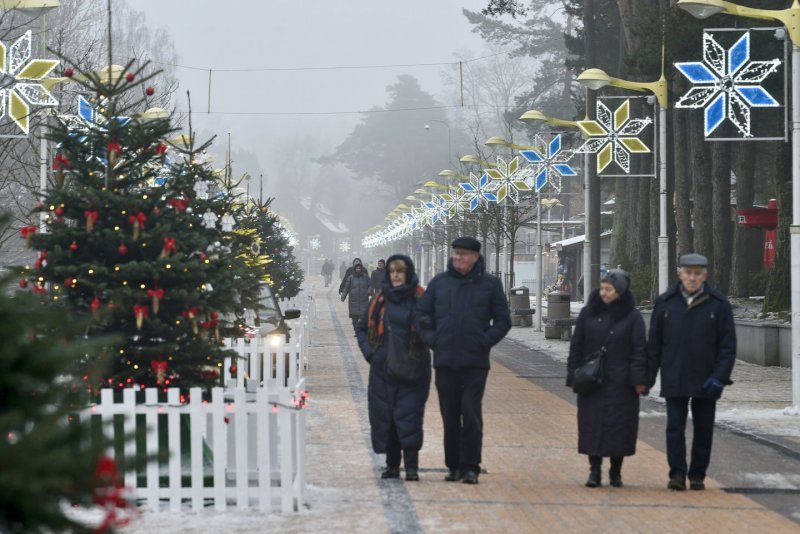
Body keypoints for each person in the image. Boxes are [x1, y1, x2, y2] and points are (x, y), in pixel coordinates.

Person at [415, 236, 511, 484]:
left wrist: (484, 340)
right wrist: (432, 339)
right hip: (445, 361)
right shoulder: (439, 283)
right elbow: (422, 314)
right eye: (456, 253)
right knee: (450, 414)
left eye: (464, 254)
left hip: (474, 362)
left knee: (471, 413)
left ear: (476, 257)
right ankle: (453, 465)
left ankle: (471, 466)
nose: (458, 258)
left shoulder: (489, 285)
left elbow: (503, 320)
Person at [647, 253, 736, 491]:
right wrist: (646, 378)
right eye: (688, 273)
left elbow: (728, 346)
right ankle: (677, 473)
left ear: (705, 275)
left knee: (704, 429)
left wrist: (719, 377)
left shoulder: (718, 304)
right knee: (675, 427)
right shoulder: (665, 302)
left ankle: (697, 474)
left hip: (707, 378)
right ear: (680, 274)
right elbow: (654, 344)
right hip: (674, 376)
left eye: (697, 273)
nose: (692, 278)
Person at [567, 269, 647, 488]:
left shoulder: (632, 317)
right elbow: (577, 346)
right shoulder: (588, 313)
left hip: (621, 383)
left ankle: (615, 471)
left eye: (609, 289)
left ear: (620, 291)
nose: (604, 292)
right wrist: (573, 374)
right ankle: (594, 471)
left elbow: (639, 350)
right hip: (591, 382)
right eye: (602, 288)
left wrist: (638, 379)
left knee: (619, 428)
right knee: (591, 426)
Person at [356, 255, 430, 481]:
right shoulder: (379, 300)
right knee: (385, 418)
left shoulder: (421, 299)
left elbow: (434, 327)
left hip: (413, 369)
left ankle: (411, 467)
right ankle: (391, 466)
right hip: (383, 370)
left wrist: (422, 345)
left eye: (400, 271)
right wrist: (371, 354)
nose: (396, 275)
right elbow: (362, 328)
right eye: (393, 271)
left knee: (409, 418)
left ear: (408, 273)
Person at [341, 262, 370, 331]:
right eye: (357, 268)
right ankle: (356, 330)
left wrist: (370, 293)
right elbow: (346, 288)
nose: (358, 269)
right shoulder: (350, 278)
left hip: (364, 300)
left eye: (359, 268)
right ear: (354, 269)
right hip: (353, 300)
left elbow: (370, 286)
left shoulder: (365, 277)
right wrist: (343, 296)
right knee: (355, 317)